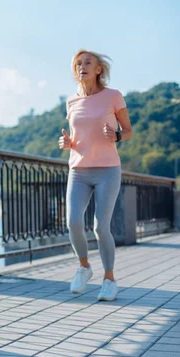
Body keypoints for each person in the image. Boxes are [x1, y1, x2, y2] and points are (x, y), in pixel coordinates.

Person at [58, 50, 132, 301]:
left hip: (107, 169)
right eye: (78, 63)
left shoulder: (113, 96)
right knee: (73, 222)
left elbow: (129, 130)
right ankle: (84, 266)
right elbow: (78, 135)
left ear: (99, 69)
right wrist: (68, 143)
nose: (82, 67)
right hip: (78, 170)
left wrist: (117, 136)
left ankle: (109, 279)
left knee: (101, 226)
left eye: (88, 62)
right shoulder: (71, 102)